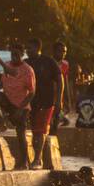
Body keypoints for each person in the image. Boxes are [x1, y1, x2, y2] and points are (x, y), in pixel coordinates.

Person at [0, 41, 35, 167]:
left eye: (17, 55)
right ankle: (1, 123)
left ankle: (24, 162)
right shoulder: (7, 65)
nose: (14, 57)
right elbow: (3, 82)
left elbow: (31, 92)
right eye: (12, 54)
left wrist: (20, 108)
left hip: (22, 106)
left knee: (20, 134)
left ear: (22, 55)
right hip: (8, 101)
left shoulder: (27, 70)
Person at [25, 37, 63, 169]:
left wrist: (59, 100)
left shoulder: (48, 62)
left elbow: (60, 80)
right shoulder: (26, 63)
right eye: (27, 48)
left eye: (29, 48)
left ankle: (37, 159)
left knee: (39, 131)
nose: (27, 51)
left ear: (37, 48)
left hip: (46, 102)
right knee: (34, 132)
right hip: (31, 103)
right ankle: (35, 158)